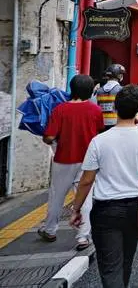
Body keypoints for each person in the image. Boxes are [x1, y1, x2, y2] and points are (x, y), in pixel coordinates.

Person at [70, 85, 138, 287]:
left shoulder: (99, 141)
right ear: (137, 110)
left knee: (110, 265)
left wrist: (76, 209)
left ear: (115, 108)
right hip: (137, 207)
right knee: (127, 259)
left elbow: (86, 180)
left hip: (106, 209)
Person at [39, 74, 104, 249]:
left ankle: (50, 230)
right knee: (85, 198)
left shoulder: (60, 109)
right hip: (88, 161)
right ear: (91, 91)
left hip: (63, 160)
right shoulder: (95, 111)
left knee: (56, 196)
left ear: (72, 89)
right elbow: (98, 134)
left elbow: (50, 136)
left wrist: (50, 140)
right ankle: (83, 237)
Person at [95, 64, 125, 129]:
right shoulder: (122, 90)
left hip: (101, 125)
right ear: (119, 76)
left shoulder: (98, 91)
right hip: (116, 125)